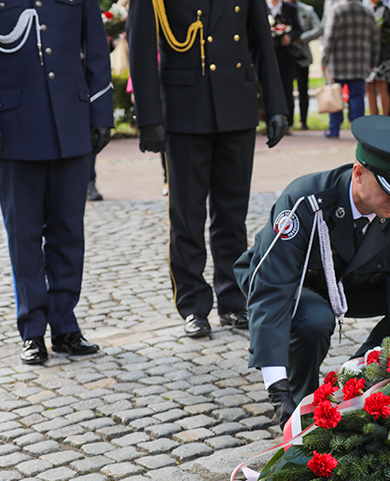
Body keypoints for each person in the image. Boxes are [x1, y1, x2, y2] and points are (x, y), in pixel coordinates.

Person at [235, 115, 390, 427]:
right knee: (315, 319)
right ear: (359, 174)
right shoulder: (306, 200)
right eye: (389, 190)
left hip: (348, 282)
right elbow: (273, 288)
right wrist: (276, 390)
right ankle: (301, 397)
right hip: (289, 281)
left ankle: (359, 375)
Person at [0, 0, 113, 364]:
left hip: (71, 122)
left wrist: (100, 111)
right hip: (14, 129)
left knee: (67, 231)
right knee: (24, 235)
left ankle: (65, 326)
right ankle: (32, 331)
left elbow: (95, 48)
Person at [128, 0, 289, 338]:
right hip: (185, 111)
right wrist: (149, 118)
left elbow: (261, 41)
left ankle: (232, 300)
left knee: (232, 214)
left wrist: (276, 105)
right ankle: (193, 305)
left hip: (237, 106)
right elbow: (140, 44)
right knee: (186, 216)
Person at [321, 0, 381, 138]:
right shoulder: (367, 12)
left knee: (335, 96)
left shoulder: (336, 10)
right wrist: (373, 61)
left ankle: (334, 129)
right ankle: (359, 132)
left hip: (338, 62)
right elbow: (375, 39)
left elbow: (329, 37)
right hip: (360, 62)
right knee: (357, 97)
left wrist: (324, 60)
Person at [269, 0, 304, 131]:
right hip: (268, 55)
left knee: (287, 89)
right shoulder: (261, 6)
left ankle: (288, 123)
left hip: (286, 56)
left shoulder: (290, 8)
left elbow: (298, 29)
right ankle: (268, 121)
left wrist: (289, 37)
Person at [290, 0, 324, 130]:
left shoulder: (306, 10)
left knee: (303, 90)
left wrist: (302, 38)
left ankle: (303, 121)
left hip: (302, 56)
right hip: (285, 57)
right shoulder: (278, 9)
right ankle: (288, 121)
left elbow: (319, 28)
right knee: (286, 90)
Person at [367, 0, 390, 116]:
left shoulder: (386, 11)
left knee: (382, 86)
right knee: (369, 87)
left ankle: (386, 118)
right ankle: (373, 117)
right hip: (370, 56)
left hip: (384, 56)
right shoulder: (369, 10)